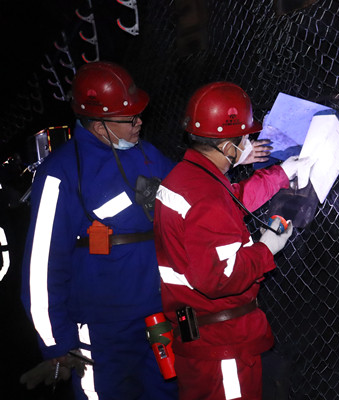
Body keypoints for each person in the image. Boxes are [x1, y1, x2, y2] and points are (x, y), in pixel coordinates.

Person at [20, 61, 178, 399]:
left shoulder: (149, 155)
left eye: (138, 114)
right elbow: (42, 267)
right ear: (98, 125)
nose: (139, 122)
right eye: (129, 118)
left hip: (158, 316)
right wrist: (56, 343)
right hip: (101, 330)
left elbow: (191, 194)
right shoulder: (60, 173)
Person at [153, 81, 310, 400]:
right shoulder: (206, 196)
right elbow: (220, 278)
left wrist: (280, 174)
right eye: (246, 139)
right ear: (228, 147)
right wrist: (266, 248)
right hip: (221, 347)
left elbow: (231, 200)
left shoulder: (186, 178)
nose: (250, 144)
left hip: (196, 332)